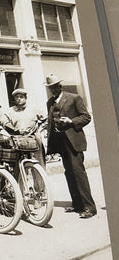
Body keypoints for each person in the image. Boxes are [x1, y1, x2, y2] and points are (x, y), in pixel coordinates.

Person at [44, 74, 97, 218]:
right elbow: (50, 122)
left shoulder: (74, 98)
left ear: (60, 86)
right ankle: (78, 204)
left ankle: (90, 208)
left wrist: (71, 121)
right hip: (61, 143)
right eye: (50, 88)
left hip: (74, 142)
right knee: (69, 173)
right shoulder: (50, 102)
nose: (53, 89)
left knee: (78, 173)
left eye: (55, 86)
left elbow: (86, 117)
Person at [4, 88, 47, 166]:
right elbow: (5, 123)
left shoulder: (34, 108)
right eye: (17, 97)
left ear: (25, 98)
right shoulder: (10, 111)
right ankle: (20, 177)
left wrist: (40, 130)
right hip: (18, 140)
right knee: (18, 164)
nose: (19, 99)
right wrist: (15, 130)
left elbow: (46, 119)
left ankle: (40, 177)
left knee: (38, 162)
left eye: (21, 97)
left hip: (34, 138)